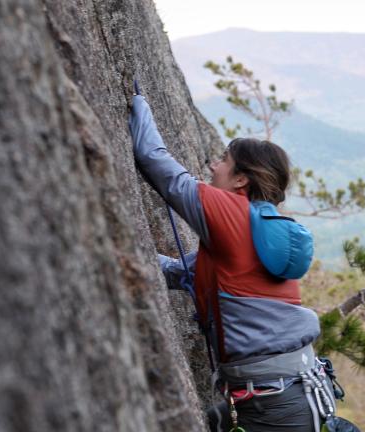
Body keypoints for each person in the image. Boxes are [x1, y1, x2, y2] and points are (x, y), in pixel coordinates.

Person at [128, 89, 329, 431]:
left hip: (274, 404)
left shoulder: (231, 212)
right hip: (289, 394)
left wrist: (138, 102)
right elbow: (178, 273)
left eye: (223, 159)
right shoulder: (259, 231)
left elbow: (156, 162)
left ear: (241, 179)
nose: (212, 165)